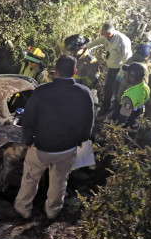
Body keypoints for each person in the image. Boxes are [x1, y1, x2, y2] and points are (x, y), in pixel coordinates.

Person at [13, 55, 94, 220]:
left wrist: (28, 140)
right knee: (59, 180)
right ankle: (53, 210)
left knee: (30, 177)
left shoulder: (41, 91)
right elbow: (89, 122)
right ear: (75, 72)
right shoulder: (84, 93)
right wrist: (81, 141)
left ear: (55, 72)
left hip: (42, 146)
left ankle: (23, 208)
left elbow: (28, 119)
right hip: (68, 148)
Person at [88, 23, 133, 115]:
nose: (102, 34)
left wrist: (120, 74)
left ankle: (113, 111)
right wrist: (87, 47)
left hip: (120, 69)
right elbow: (99, 41)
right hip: (112, 67)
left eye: (103, 33)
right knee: (109, 88)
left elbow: (128, 59)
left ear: (109, 33)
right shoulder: (106, 37)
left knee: (115, 90)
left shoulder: (122, 41)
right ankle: (107, 106)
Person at [113, 62, 151, 128]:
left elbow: (123, 118)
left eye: (128, 74)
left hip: (128, 123)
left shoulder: (129, 97)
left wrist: (116, 128)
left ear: (132, 77)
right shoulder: (145, 87)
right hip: (136, 118)